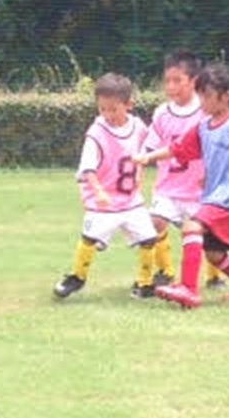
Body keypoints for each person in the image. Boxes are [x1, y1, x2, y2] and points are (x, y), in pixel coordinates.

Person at [134, 64, 229, 308]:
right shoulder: (204, 126)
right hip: (213, 195)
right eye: (201, 96)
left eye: (206, 96)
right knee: (215, 254)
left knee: (191, 225)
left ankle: (188, 289)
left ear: (226, 96)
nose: (202, 102)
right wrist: (149, 157)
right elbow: (178, 149)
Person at [53, 73, 158, 299]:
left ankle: (145, 283)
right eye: (102, 109)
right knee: (90, 239)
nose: (108, 114)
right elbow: (88, 169)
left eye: (113, 109)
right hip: (103, 203)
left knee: (149, 239)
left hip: (131, 200)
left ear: (128, 105)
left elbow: (154, 146)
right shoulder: (96, 134)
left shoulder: (138, 127)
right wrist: (99, 191)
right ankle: (77, 277)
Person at [144, 49, 227, 290]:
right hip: (168, 188)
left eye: (177, 80)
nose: (171, 86)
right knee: (155, 224)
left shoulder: (205, 113)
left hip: (198, 191)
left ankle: (214, 276)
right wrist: (140, 160)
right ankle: (165, 271)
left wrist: (211, 174)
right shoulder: (161, 112)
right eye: (167, 80)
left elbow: (218, 146)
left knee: (206, 237)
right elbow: (151, 145)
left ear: (194, 81)